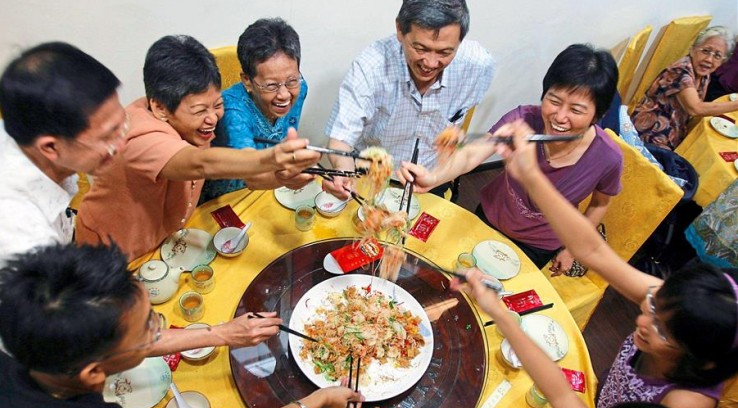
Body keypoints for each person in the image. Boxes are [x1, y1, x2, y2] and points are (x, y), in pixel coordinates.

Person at [0, 243, 362, 408]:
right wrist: (320, 398)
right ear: (92, 374)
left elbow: (120, 348)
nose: (161, 327)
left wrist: (221, 334)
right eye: (149, 328)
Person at [472, 119, 738, 408]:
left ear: (700, 359)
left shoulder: (685, 404)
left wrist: (503, 319)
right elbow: (592, 251)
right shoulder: (674, 307)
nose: (642, 319)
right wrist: (532, 177)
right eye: (653, 306)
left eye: (663, 331)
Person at [76, 35, 320, 264]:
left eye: (217, 105)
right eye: (200, 110)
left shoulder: (193, 125)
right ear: (160, 107)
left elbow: (250, 180)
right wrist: (272, 158)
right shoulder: (138, 137)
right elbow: (200, 163)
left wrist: (282, 178)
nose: (213, 118)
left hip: (166, 239)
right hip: (111, 252)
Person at [399, 44, 622, 271]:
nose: (560, 117)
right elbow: (475, 152)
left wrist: (573, 249)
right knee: (454, 275)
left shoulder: (607, 158)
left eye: (576, 110)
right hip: (489, 217)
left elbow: (599, 204)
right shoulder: (524, 119)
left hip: (538, 245)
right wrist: (433, 177)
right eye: (554, 101)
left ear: (598, 114)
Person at [0, 42, 127, 350]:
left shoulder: (25, 125)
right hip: (0, 341)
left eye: (121, 125)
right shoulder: (11, 226)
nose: (120, 145)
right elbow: (55, 326)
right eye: (109, 136)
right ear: (51, 147)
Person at [324, 0, 495, 198]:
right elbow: (341, 139)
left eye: (444, 52)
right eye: (420, 48)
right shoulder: (372, 66)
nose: (430, 63)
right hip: (374, 175)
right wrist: (344, 175)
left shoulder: (477, 66)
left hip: (432, 178)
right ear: (399, 29)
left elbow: (461, 124)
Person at [199, 17, 310, 203]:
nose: (284, 95)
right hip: (226, 197)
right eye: (271, 85)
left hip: (270, 187)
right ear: (247, 80)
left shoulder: (300, 89)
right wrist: (286, 179)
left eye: (291, 80)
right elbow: (250, 175)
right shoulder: (232, 109)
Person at [632, 26, 738, 150]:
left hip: (674, 132)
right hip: (649, 133)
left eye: (717, 56)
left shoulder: (704, 74)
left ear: (722, 61)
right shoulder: (680, 71)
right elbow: (695, 108)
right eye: (705, 51)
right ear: (693, 50)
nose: (709, 59)